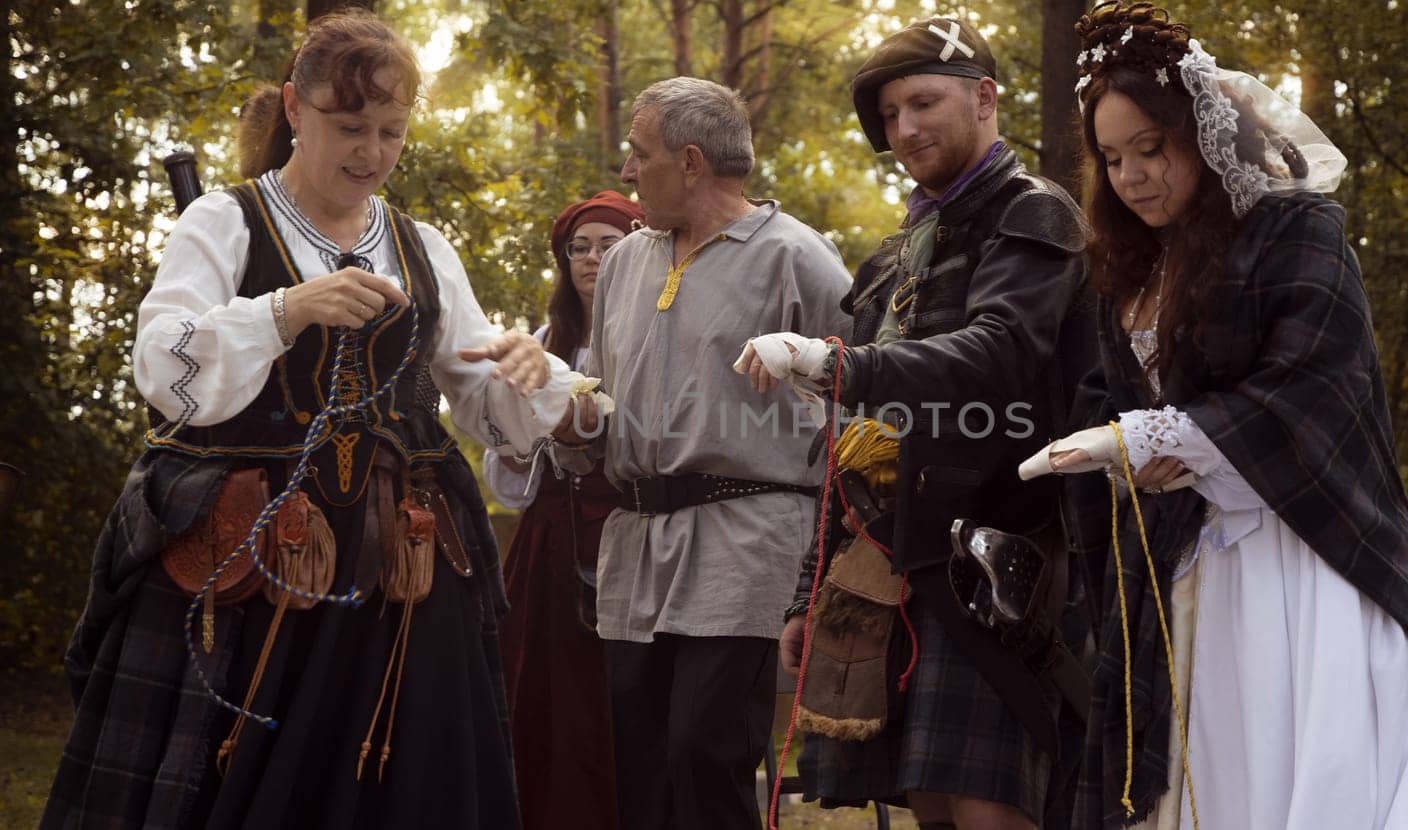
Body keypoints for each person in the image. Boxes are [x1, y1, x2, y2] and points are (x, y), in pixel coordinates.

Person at [42, 11, 574, 829]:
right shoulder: (222, 221)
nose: (371, 151)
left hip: (403, 573)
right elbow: (163, 368)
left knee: (402, 786)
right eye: (350, 126)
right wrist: (283, 312)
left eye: (391, 131)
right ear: (296, 109)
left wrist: (531, 373)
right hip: (252, 565)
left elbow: (482, 392)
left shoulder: (422, 246)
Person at [1020, 3, 1408, 828]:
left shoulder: (1295, 230)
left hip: (1305, 553)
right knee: (1218, 768)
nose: (1131, 176)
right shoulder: (1126, 269)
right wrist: (1131, 450)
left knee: (1305, 757)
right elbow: (1108, 399)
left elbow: (1316, 381)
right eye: (1114, 157)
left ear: (1202, 132)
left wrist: (1162, 437)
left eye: (1151, 149)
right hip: (1194, 559)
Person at [739, 18, 1097, 830]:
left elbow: (999, 353)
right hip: (894, 554)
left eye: (924, 103)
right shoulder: (890, 261)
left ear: (984, 96)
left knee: (990, 808)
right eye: (892, 115)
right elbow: (851, 441)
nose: (905, 130)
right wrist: (809, 591)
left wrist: (839, 364)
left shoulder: (1034, 217)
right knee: (931, 805)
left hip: (1009, 552)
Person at [552, 76, 853, 829]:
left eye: (638, 152)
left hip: (746, 543)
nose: (626, 172)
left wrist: (835, 566)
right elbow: (606, 418)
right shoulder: (625, 264)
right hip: (635, 548)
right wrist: (571, 427)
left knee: (704, 752)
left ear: (690, 162)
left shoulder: (799, 259)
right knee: (641, 765)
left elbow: (863, 405)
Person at [483, 190, 644, 830]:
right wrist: (535, 434)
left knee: (617, 697)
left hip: (631, 537)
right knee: (541, 693)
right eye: (579, 247)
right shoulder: (543, 344)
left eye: (608, 244)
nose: (591, 258)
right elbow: (512, 474)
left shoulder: (650, 335)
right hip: (550, 543)